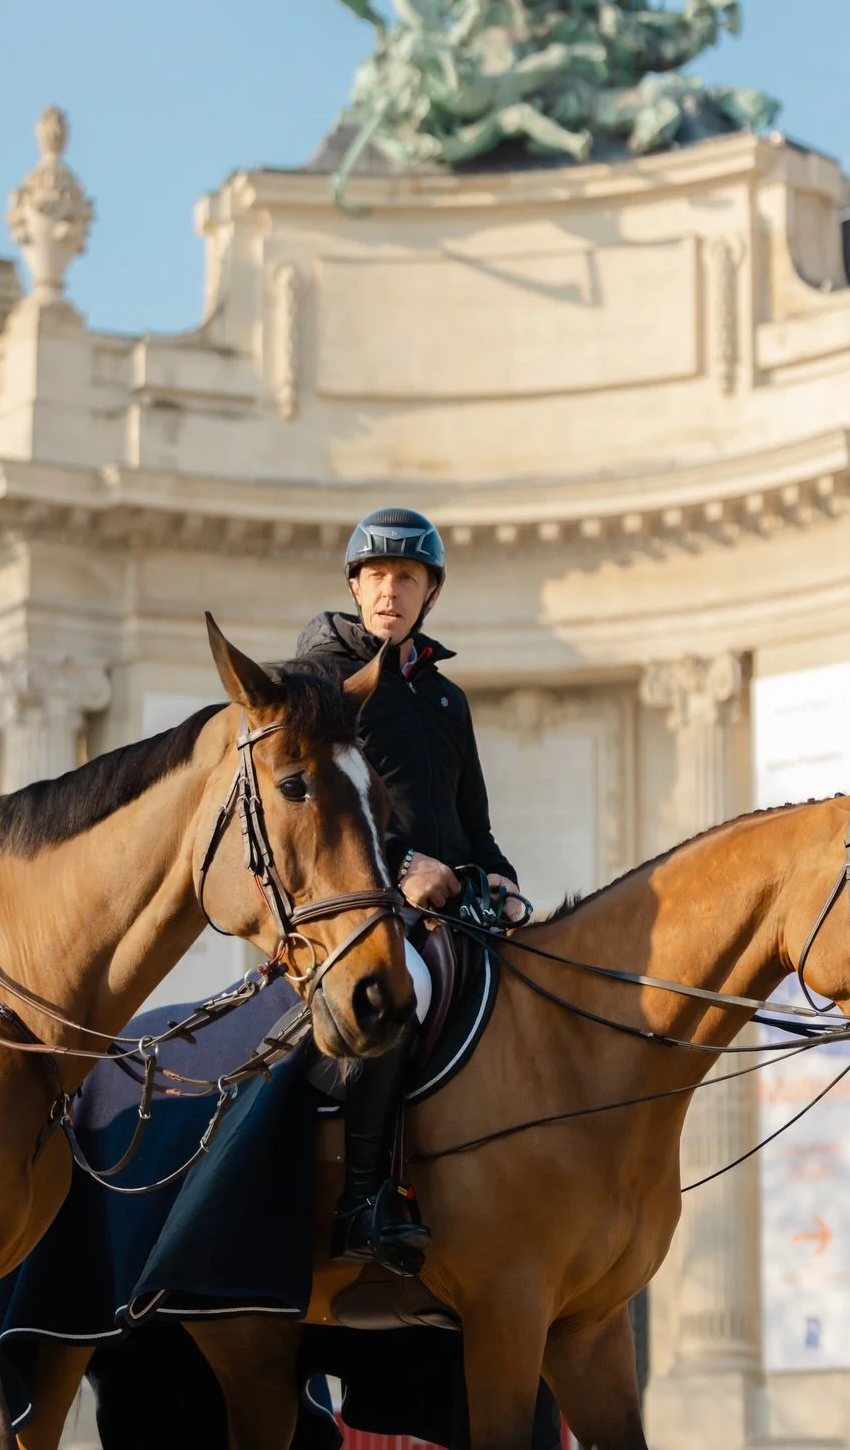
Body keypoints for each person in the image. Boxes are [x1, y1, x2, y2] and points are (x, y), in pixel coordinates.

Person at [297, 507, 522, 1275]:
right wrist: (403, 872)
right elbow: (322, 811)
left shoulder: (445, 698)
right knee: (406, 991)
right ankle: (364, 1196)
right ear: (355, 589)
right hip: (370, 906)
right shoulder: (326, 681)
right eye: (376, 577)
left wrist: (502, 879)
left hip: (458, 902)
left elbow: (475, 823)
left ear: (430, 594)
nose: (389, 590)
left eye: (407, 578)